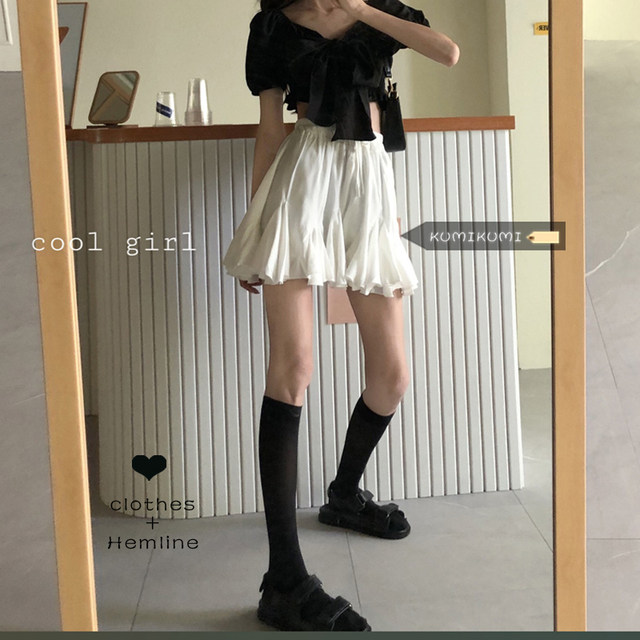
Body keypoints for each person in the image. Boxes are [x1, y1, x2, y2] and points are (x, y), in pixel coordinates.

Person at [223, 0, 459, 631]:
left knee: (393, 375)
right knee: (293, 367)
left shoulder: (380, 12)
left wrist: (359, 8)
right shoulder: (274, 24)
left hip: (368, 184)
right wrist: (256, 227)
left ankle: (344, 495)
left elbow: (447, 52)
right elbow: (270, 129)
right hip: (300, 184)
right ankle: (284, 578)